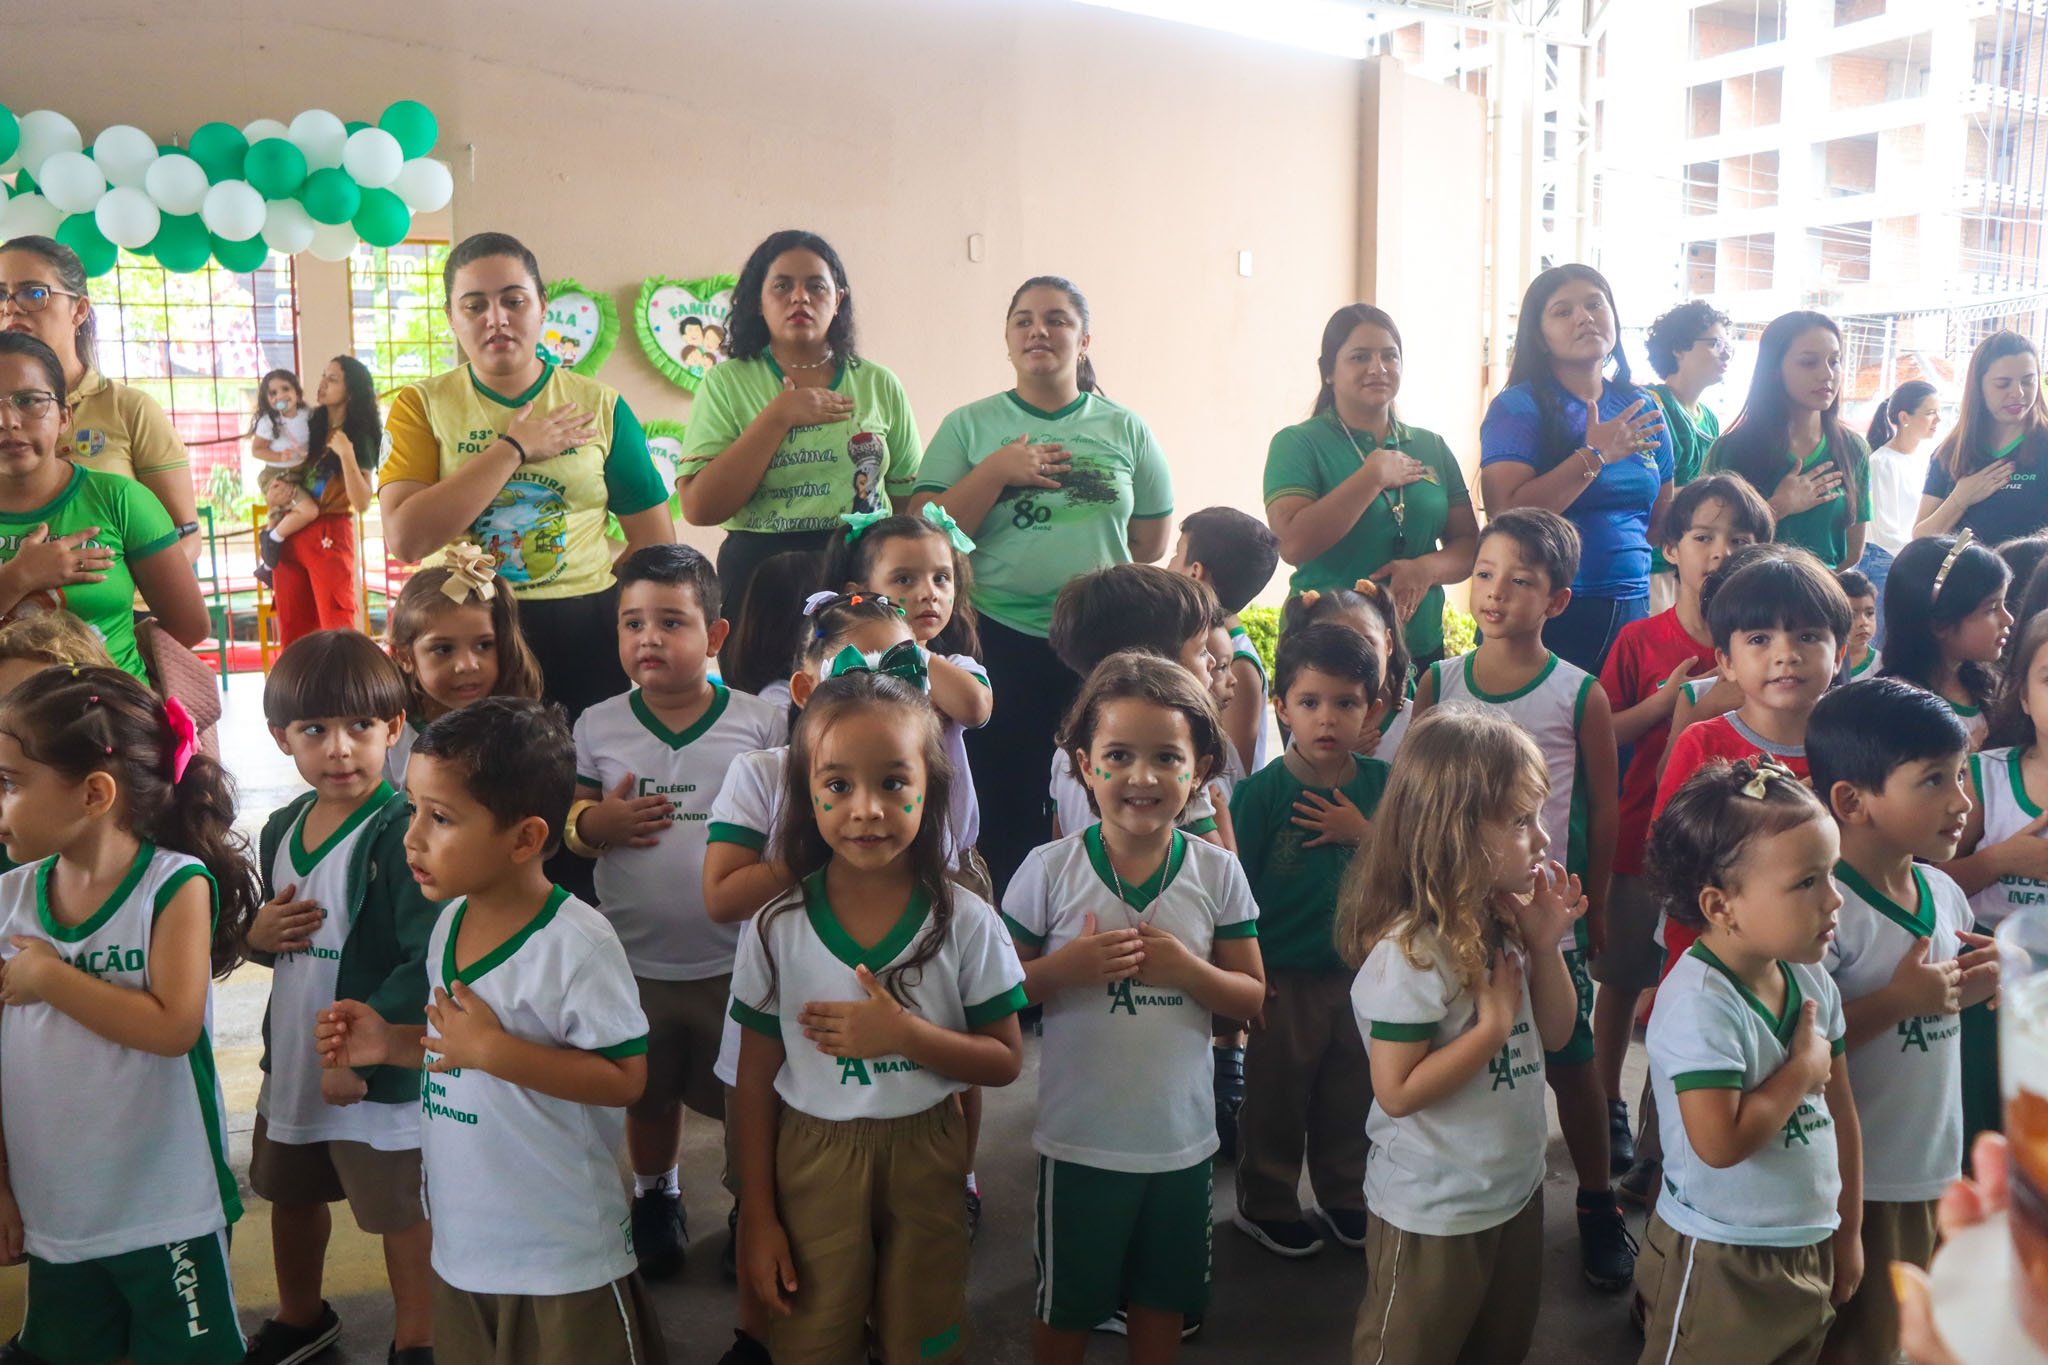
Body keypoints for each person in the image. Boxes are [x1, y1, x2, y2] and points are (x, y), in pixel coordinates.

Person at [313, 698, 666, 1365]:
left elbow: (625, 1078)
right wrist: (389, 1043)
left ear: (524, 839)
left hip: (560, 1253)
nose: (413, 837)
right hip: (466, 1245)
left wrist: (495, 1050)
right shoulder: (449, 921)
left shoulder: (577, 944)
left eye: (440, 817)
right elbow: (454, 1046)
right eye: (412, 808)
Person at [731, 671, 1027, 1365]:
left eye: (894, 782)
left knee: (923, 1337)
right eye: (837, 785)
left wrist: (905, 1036)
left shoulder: (968, 922)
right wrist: (758, 1218)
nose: (866, 809)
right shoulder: (775, 926)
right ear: (805, 792)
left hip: (927, 1152)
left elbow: (1005, 1060)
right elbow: (753, 1081)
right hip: (812, 1156)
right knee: (814, 1337)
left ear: (932, 787)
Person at [1005, 651, 1266, 1362]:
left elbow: (1250, 998)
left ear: (1199, 770)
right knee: (1067, 1305)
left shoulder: (1217, 871)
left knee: (1163, 1300)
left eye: (1166, 757)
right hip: (1080, 1142)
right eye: (1118, 755)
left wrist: (1189, 970)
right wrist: (1066, 968)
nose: (1142, 777)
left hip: (1182, 1142)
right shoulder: (1048, 870)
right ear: (1084, 766)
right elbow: (994, 992)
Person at [0, 666, 261, 1365]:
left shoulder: (171, 885)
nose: (0, 800)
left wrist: (51, 977)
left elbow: (173, 1027)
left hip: (166, 1206)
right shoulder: (9, 898)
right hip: (57, 1210)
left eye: (10, 783)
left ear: (94, 793)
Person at [702, 590, 928, 1365]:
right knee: (762, 1195)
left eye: (902, 669)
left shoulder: (913, 775)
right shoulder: (763, 774)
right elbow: (721, 895)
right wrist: (819, 845)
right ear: (803, 690)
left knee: (861, 1216)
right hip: (772, 1029)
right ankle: (755, 1334)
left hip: (882, 1043)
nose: (878, 688)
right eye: (855, 670)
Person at [1411, 507, 1631, 1291]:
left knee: (1572, 1065)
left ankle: (1597, 1201)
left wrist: (1593, 903)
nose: (1496, 592)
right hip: (1452, 914)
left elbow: (1603, 806)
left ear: (1558, 599)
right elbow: (1413, 800)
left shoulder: (1579, 693)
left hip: (1545, 915)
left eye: (1522, 580)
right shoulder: (1439, 681)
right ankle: (1463, 1194)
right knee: (1466, 1051)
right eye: (1485, 573)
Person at [1339, 708, 1586, 1365]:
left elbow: (1558, 1033)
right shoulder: (1412, 952)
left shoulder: (1505, 921)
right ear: (1452, 830)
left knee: (1498, 1345)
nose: (1542, 837)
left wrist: (1545, 948)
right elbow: (1396, 1090)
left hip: (1512, 1189)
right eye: (1519, 820)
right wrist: (1493, 1027)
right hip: (1435, 1209)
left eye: (1538, 815)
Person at [911, 276, 1174, 895]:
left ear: (1084, 340)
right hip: (995, 638)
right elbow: (926, 533)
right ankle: (1008, 936)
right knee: (1004, 800)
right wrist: (997, 471)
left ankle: (1100, 914)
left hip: (1101, 647)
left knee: (1103, 791)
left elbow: (1150, 541)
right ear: (1007, 340)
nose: (1039, 331)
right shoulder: (970, 426)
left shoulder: (1126, 427)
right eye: (1024, 320)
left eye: (1057, 319)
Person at [566, 545, 783, 1282]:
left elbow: (786, 825)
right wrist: (596, 825)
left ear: (715, 635)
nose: (648, 638)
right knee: (648, 1091)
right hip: (633, 960)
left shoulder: (761, 723)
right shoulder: (598, 724)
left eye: (670, 621)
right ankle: (655, 1194)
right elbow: (572, 821)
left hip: (739, 957)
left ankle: (752, 1203)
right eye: (632, 623)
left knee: (747, 1094)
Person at [241, 632, 442, 1365]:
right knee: (290, 1193)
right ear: (281, 737)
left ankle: (417, 1337)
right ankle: (301, 1314)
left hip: (374, 1070)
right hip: (297, 1059)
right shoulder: (280, 829)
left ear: (394, 728)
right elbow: (277, 936)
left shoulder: (403, 832)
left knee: (399, 1209)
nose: (340, 749)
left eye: (361, 726)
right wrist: (256, 936)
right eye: (314, 730)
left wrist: (365, 1051)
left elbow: (425, 957)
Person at [377, 232, 674, 720]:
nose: (496, 318)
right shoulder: (421, 405)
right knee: (470, 765)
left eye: (513, 301)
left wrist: (597, 601)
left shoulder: (601, 405)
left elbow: (655, 543)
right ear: (451, 317)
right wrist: (513, 449)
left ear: (542, 306)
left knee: (580, 765)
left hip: (583, 631)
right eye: (474, 306)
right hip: (466, 636)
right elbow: (407, 539)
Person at [1636, 757, 1863, 1365]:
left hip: (1808, 1240)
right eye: (1806, 883)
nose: (1834, 899)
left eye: (1832, 873)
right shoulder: (1699, 1004)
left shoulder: (1811, 978)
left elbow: (1841, 1114)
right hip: (1720, 1256)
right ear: (1721, 905)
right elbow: (1719, 1143)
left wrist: (1848, 1232)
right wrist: (1801, 1073)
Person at [1808, 679, 1998, 1364]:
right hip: (1861, 1179)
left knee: (1907, 1335)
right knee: (1855, 1341)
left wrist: (1987, 979)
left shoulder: (1943, 891)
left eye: (1961, 775)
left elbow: (1937, 998)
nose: (1961, 802)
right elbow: (1801, 1050)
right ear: (1852, 802)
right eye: (1934, 780)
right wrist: (1897, 1001)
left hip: (1932, 1162)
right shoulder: (1825, 911)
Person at [1594, 474, 1773, 1188]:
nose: (1720, 550)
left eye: (1740, 538)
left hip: (1728, 860)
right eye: (1703, 535)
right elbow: (1604, 731)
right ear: (1671, 548)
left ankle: (1658, 1133)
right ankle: (1605, 1104)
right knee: (1621, 981)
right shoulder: (1641, 639)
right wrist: (1672, 704)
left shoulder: (1765, 649)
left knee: (1687, 990)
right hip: (1639, 840)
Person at [1228, 623, 1388, 1257]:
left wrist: (1362, 832)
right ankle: (1266, 1202)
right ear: (1281, 707)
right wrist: (1246, 973)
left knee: (1353, 1090)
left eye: (1347, 703)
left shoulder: (1382, 785)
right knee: (1276, 1094)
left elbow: (1411, 861)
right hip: (1282, 977)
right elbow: (1232, 892)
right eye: (1310, 702)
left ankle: (1344, 1194)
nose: (1328, 718)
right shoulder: (1260, 794)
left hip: (1364, 974)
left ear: (1372, 709)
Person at [678, 230, 922, 621]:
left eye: (815, 286)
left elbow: (909, 503)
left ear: (838, 300)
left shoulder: (879, 383)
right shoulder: (725, 383)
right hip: (760, 579)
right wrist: (779, 416)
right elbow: (699, 508)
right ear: (758, 301)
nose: (800, 297)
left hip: (861, 574)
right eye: (782, 286)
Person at [1653, 550, 1851, 972]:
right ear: (1726, 661)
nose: (1786, 654)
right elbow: (1673, 860)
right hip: (1722, 958)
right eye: (1760, 639)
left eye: (1808, 636)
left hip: (1835, 951)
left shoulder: (1854, 745)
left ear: (1839, 654)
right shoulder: (1704, 743)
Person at [1479, 264, 1673, 676]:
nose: (1584, 317)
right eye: (1563, 311)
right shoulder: (1518, 407)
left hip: (1631, 604)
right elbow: (1506, 514)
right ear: (1539, 336)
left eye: (1594, 304)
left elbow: (1660, 520)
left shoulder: (1643, 406)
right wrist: (1593, 455)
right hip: (1546, 609)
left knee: (1621, 718)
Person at [1263, 305, 1478, 666]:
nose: (1378, 368)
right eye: (1360, 357)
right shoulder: (1297, 443)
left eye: (1389, 356)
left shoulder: (1431, 445)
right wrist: (1371, 477)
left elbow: (1470, 545)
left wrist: (1425, 569)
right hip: (1324, 651)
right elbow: (1293, 545)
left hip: (1419, 645)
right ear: (1328, 371)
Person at [0, 332, 208, 682]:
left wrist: (113, 669)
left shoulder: (121, 499)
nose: (8, 421)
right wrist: (18, 578)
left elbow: (189, 626)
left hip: (115, 710)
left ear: (64, 417)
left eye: (30, 400)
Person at [821, 505, 995, 894]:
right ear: (858, 594)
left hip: (950, 860)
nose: (928, 593)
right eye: (904, 579)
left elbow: (974, 708)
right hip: (864, 847)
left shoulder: (955, 665)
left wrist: (908, 647)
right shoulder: (846, 666)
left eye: (941, 578)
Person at [0, 236, 202, 560]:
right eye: (1, 294)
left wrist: (118, 587)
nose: (10, 307)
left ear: (79, 310)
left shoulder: (130, 410)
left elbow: (185, 534)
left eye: (34, 293)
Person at [1937, 611, 2048, 1147]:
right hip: (1985, 976)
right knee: (1984, 1133)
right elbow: (1928, 883)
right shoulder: (1987, 775)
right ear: (2023, 695)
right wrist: (2001, 860)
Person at [1707, 310, 1872, 571]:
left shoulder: (1853, 448)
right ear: (1774, 370)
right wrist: (1776, 508)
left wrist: (1813, 588)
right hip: (1747, 591)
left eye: (1835, 361)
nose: (1827, 374)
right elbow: (1711, 543)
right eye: (1809, 362)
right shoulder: (1732, 449)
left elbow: (1852, 552)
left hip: (1825, 591)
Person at [382, 554, 545, 790]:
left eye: (484, 645)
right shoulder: (388, 736)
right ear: (404, 657)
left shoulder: (518, 734)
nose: (468, 665)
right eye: (444, 649)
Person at [266, 356, 381, 643]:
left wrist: (347, 453)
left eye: (332, 379)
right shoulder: (309, 424)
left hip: (329, 534)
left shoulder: (360, 434)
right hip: (290, 531)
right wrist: (273, 499)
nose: (322, 384)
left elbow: (362, 502)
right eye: (323, 376)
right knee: (293, 630)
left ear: (350, 390)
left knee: (336, 628)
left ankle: (342, 676)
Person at [1168, 507, 1281, 778]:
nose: (1169, 564)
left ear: (1195, 571)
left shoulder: (1238, 663)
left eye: (1176, 553)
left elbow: (1232, 773)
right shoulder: (1192, 644)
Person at [1879, 533, 2012, 748]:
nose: (2008, 619)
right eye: (1991, 609)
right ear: (1939, 623)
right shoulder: (1900, 706)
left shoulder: (1986, 685)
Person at [1642, 300, 1733, 613]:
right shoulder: (1652, 405)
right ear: (1678, 349)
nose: (1726, 353)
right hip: (1655, 563)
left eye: (1728, 346)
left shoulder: (1709, 418)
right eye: (1715, 344)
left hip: (1693, 566)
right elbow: (1644, 494)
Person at [1917, 330, 2048, 544]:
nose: (2018, 393)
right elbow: (1919, 540)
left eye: (2028, 381)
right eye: (2002, 384)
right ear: (1979, 387)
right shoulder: (1950, 452)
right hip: (1963, 566)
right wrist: (1960, 499)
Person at [1280, 581, 1414, 764]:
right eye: (1333, 648)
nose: (1353, 660)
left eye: (1366, 643)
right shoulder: (1308, 721)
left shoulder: (1415, 724)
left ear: (1388, 643)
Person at [1863, 378, 1942, 620]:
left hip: (1911, 560)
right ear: (1904, 417)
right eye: (1930, 413)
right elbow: (1884, 531)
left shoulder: (1924, 459)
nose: (1938, 420)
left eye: (1938, 412)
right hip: (1885, 563)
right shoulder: (1882, 462)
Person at [1838, 568, 1882, 681]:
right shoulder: (1824, 663)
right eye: (1852, 615)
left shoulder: (1881, 665)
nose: (1863, 622)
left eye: (1870, 613)